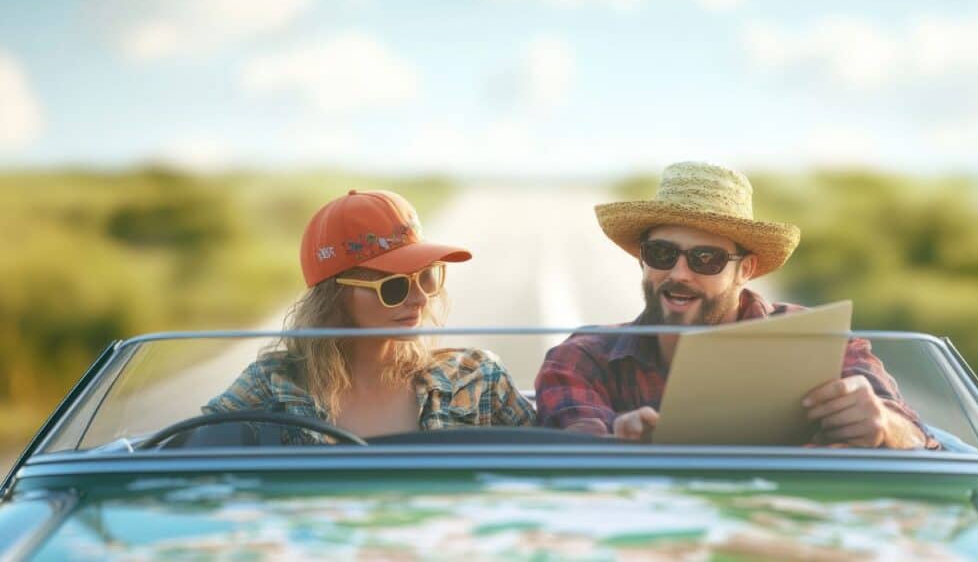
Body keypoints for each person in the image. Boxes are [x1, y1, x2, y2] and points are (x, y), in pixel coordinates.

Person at [535, 162, 938, 449]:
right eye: (661, 253)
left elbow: (919, 439)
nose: (678, 273)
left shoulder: (818, 342)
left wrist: (882, 424)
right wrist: (616, 440)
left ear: (745, 269)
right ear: (643, 258)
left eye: (704, 259)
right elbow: (576, 450)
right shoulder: (582, 357)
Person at [205, 189, 535, 443]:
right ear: (333, 297)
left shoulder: (477, 378)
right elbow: (183, 461)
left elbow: (557, 477)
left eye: (427, 276)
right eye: (394, 287)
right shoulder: (272, 386)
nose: (420, 298)